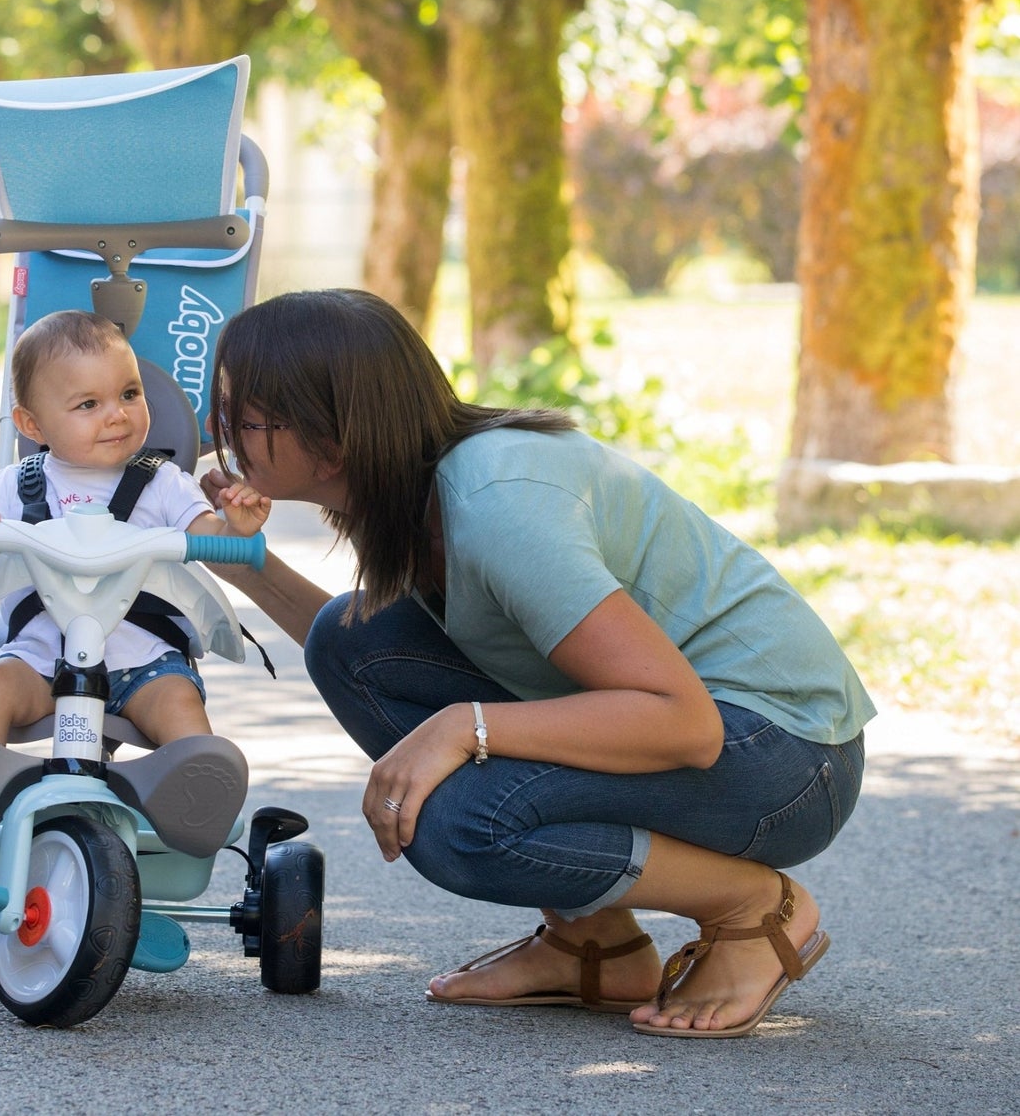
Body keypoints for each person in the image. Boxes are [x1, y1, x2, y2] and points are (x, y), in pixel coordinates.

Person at [200, 288, 874, 1039]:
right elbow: (371, 657)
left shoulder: (495, 505)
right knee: (345, 638)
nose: (222, 432)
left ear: (333, 438)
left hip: (782, 757)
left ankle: (750, 908)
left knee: (460, 821)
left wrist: (463, 726)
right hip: (722, 733)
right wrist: (245, 562)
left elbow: (687, 725)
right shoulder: (405, 493)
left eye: (247, 417)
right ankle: (594, 941)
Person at [0, 309, 269, 750]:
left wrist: (237, 528)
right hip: (41, 659)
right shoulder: (14, 485)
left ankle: (196, 793)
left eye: (129, 393)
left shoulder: (163, 482)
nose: (118, 415)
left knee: (179, 701)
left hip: (143, 663)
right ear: (32, 424)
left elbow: (214, 544)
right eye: (88, 404)